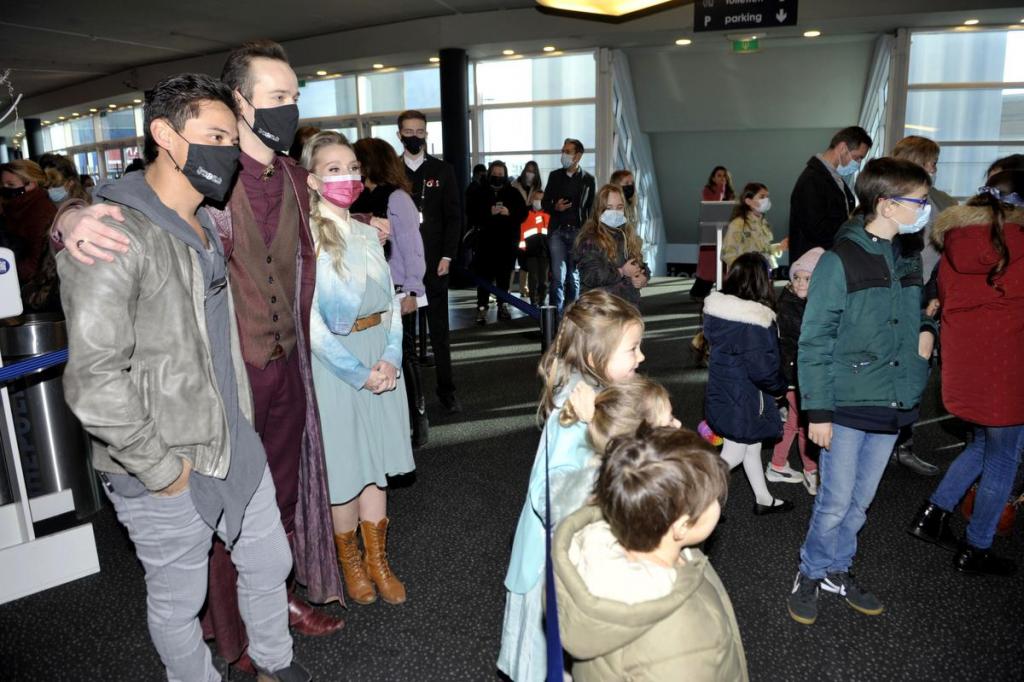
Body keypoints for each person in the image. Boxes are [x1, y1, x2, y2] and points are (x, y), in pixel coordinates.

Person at [54, 40, 345, 670]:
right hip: (173, 442)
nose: (226, 152)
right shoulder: (138, 222)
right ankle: (220, 652)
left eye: (229, 139)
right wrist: (67, 219)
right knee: (181, 588)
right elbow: (95, 376)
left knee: (269, 547)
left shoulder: (241, 202)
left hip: (244, 412)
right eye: (215, 137)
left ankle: (272, 654)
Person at [787, 157, 937, 626]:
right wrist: (818, 412)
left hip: (892, 399)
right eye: (919, 201)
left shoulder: (906, 257)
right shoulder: (839, 260)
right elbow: (814, 340)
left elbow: (918, 314)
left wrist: (926, 336)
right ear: (887, 205)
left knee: (860, 502)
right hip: (847, 402)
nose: (926, 209)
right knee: (834, 501)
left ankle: (838, 568)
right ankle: (811, 571)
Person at [499, 290, 644, 682]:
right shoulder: (575, 414)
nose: (641, 357)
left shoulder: (600, 397)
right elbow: (548, 496)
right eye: (632, 349)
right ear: (596, 358)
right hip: (555, 562)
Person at [300, 131, 416, 605]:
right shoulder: (305, 239)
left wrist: (391, 358)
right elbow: (310, 323)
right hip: (336, 365)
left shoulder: (370, 233)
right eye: (333, 169)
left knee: (377, 467)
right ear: (311, 180)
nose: (347, 177)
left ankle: (378, 561)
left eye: (351, 168)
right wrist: (358, 372)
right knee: (347, 467)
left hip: (380, 356)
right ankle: (350, 564)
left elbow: (391, 305)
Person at [553, 427, 747, 682]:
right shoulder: (684, 642)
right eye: (712, 500)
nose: (717, 503)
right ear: (681, 527)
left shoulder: (592, 552)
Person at [907, 170, 1024, 577]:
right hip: (1009, 371)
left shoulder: (955, 242)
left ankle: (933, 514)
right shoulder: (1019, 245)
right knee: (1004, 459)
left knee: (980, 445)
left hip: (967, 370)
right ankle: (977, 547)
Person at [350, 137, 428, 449]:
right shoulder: (355, 199)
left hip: (397, 290)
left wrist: (413, 290)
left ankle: (418, 421)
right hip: (365, 293)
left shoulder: (397, 198)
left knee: (405, 356)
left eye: (357, 162)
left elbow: (413, 247)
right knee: (376, 359)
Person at [703, 253, 793, 515]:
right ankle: (697, 501)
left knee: (751, 446)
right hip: (746, 398)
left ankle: (763, 499)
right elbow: (763, 368)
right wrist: (780, 388)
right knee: (734, 454)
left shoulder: (718, 311)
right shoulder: (756, 320)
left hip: (725, 391)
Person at [889, 135, 957, 477]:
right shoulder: (888, 202)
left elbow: (945, 255)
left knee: (917, 373)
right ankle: (886, 441)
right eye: (931, 163)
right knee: (892, 373)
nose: (934, 169)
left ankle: (903, 443)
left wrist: (936, 293)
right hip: (893, 299)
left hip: (924, 296)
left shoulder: (940, 203)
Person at [398, 109, 462, 413]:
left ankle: (446, 391)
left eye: (420, 131)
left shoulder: (443, 170)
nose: (415, 136)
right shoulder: (390, 172)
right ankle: (410, 397)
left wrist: (448, 255)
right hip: (402, 267)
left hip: (436, 263)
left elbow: (454, 216)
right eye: (408, 132)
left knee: (439, 332)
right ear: (399, 135)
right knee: (404, 335)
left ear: (426, 133)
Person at [550, 376, 681, 524]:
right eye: (670, 420)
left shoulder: (615, 488)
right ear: (638, 444)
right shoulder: (640, 505)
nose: (678, 424)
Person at [768, 247, 825, 495]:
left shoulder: (798, 302)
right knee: (804, 424)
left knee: (794, 422)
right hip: (795, 376)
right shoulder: (793, 306)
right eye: (797, 277)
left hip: (794, 374)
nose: (800, 282)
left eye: (807, 278)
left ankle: (777, 464)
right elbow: (806, 339)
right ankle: (811, 470)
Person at [789, 126, 873, 262]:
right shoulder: (812, 179)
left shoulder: (834, 177)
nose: (858, 163)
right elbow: (815, 230)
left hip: (829, 257)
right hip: (813, 263)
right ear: (842, 148)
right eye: (857, 157)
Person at [573, 183, 647, 307]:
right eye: (609, 208)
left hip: (627, 304)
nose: (615, 212)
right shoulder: (590, 239)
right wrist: (622, 271)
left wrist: (643, 277)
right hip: (600, 306)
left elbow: (640, 264)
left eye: (619, 207)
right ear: (599, 210)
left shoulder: (626, 234)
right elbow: (591, 275)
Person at [543, 138, 596, 312]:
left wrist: (589, 234)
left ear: (578, 156)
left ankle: (571, 316)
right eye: (563, 151)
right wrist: (555, 206)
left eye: (567, 151)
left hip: (578, 233)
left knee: (573, 278)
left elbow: (591, 209)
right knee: (557, 277)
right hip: (557, 232)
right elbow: (544, 203)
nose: (563, 154)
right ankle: (555, 319)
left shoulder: (588, 179)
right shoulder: (554, 176)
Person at [473, 160, 527, 325]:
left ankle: (503, 305)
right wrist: (488, 212)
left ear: (505, 175)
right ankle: (482, 307)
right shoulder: (480, 192)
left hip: (507, 243)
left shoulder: (513, 193)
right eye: (495, 174)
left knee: (504, 277)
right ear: (489, 174)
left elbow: (523, 214)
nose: (497, 176)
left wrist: (509, 212)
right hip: (485, 243)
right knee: (484, 277)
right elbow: (471, 213)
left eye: (500, 174)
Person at [1, 160, 55, 288]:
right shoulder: (14, 207)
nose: (5, 189)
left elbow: (35, 265)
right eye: (3, 185)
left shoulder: (41, 213)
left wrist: (6, 269)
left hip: (31, 287)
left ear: (31, 184)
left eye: (10, 184)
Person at [721, 182, 787, 270]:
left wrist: (779, 247)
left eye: (767, 197)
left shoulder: (763, 223)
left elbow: (763, 250)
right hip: (747, 275)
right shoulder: (738, 223)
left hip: (763, 272)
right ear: (749, 201)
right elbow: (727, 253)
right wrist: (744, 270)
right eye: (762, 197)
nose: (766, 200)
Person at [518, 189, 550, 308]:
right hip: (530, 251)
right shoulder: (525, 213)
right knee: (533, 278)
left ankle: (542, 301)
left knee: (543, 281)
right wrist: (522, 252)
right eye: (536, 199)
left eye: (541, 199)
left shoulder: (548, 214)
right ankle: (534, 302)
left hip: (545, 251)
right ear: (531, 200)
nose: (538, 201)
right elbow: (521, 232)